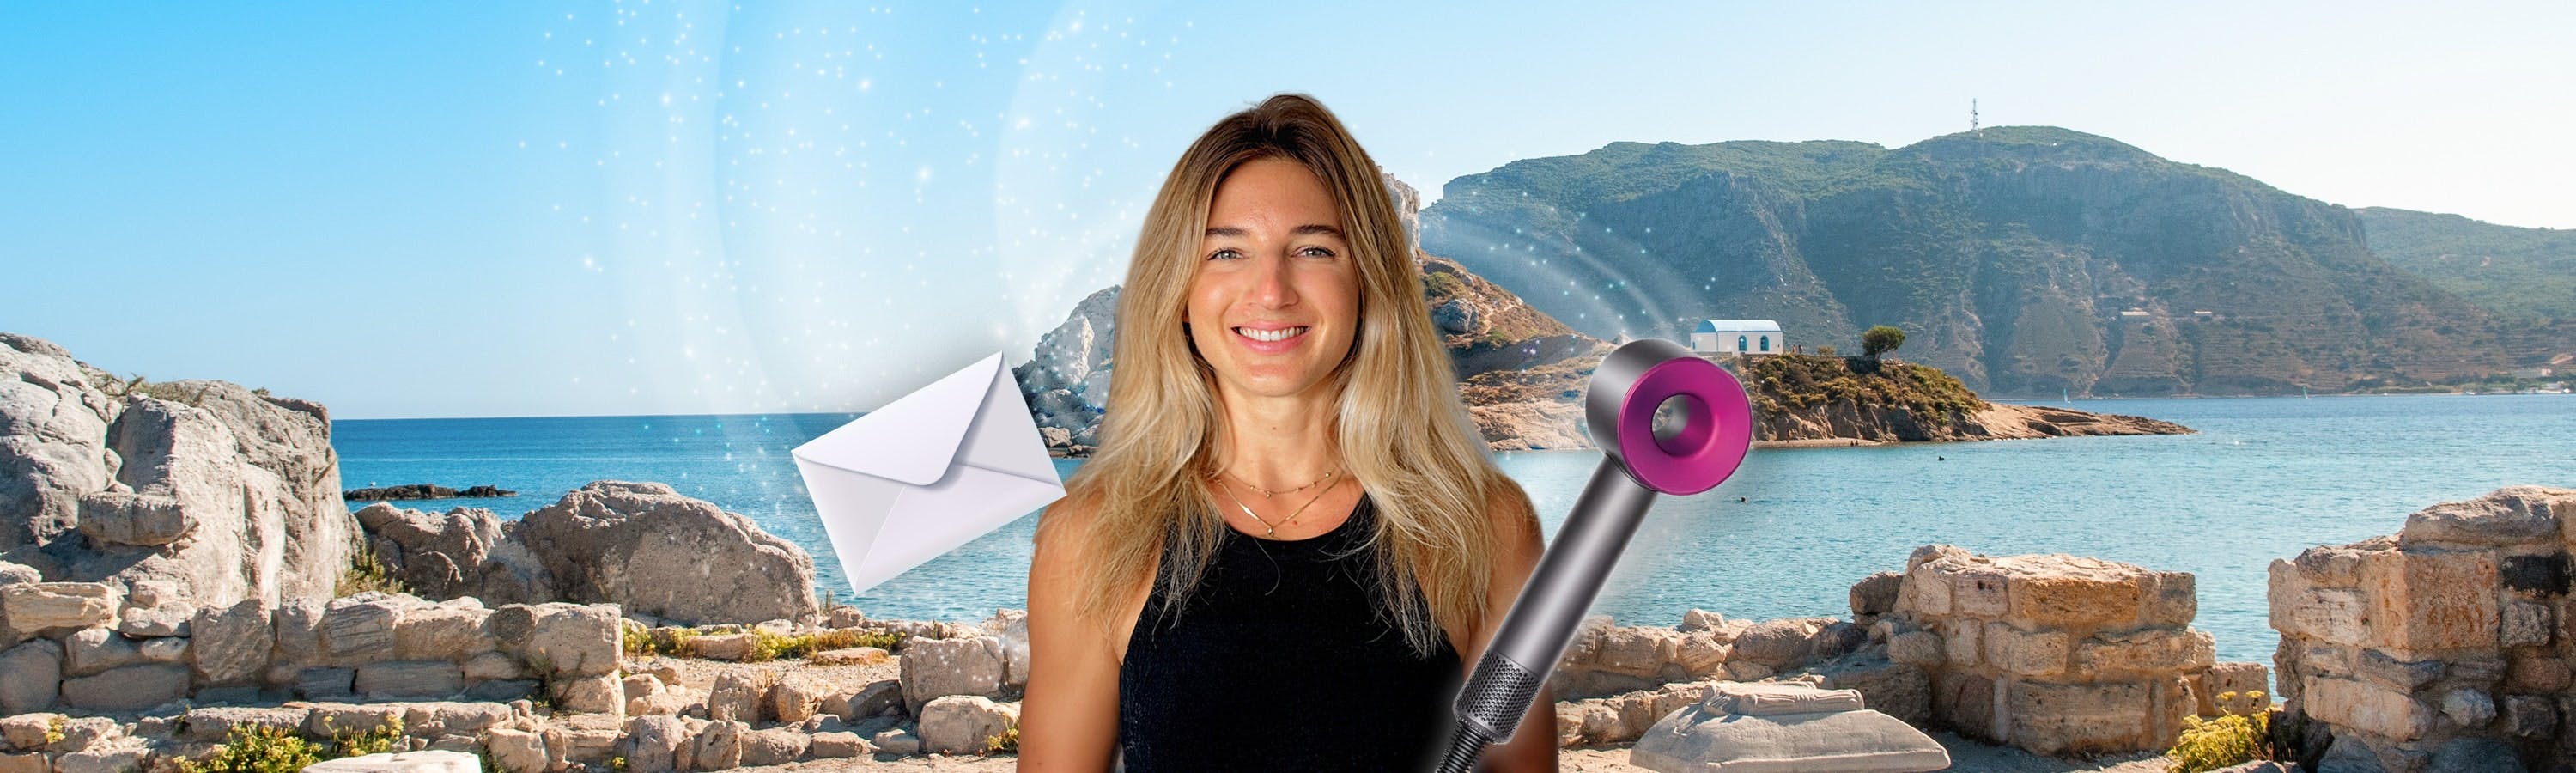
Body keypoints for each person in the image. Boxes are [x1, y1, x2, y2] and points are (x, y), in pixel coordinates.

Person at [1019, 94, 1555, 772]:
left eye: (1312, 249)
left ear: (1368, 281)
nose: (1271, 291)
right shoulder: (1089, 537)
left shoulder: (1486, 528)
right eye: (1226, 252)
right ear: (1179, 290)